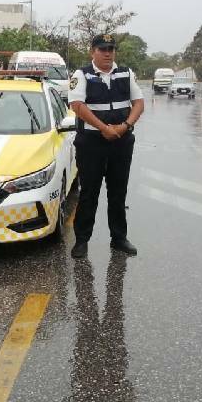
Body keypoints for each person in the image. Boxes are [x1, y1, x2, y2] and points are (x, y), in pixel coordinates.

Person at [68, 33, 144, 258]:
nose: (108, 53)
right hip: (91, 144)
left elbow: (139, 103)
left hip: (121, 142)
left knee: (118, 192)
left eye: (111, 49)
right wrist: (104, 128)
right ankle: (82, 241)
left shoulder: (126, 73)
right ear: (93, 52)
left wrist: (125, 126)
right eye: (102, 49)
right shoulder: (82, 75)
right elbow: (77, 105)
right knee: (89, 193)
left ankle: (119, 238)